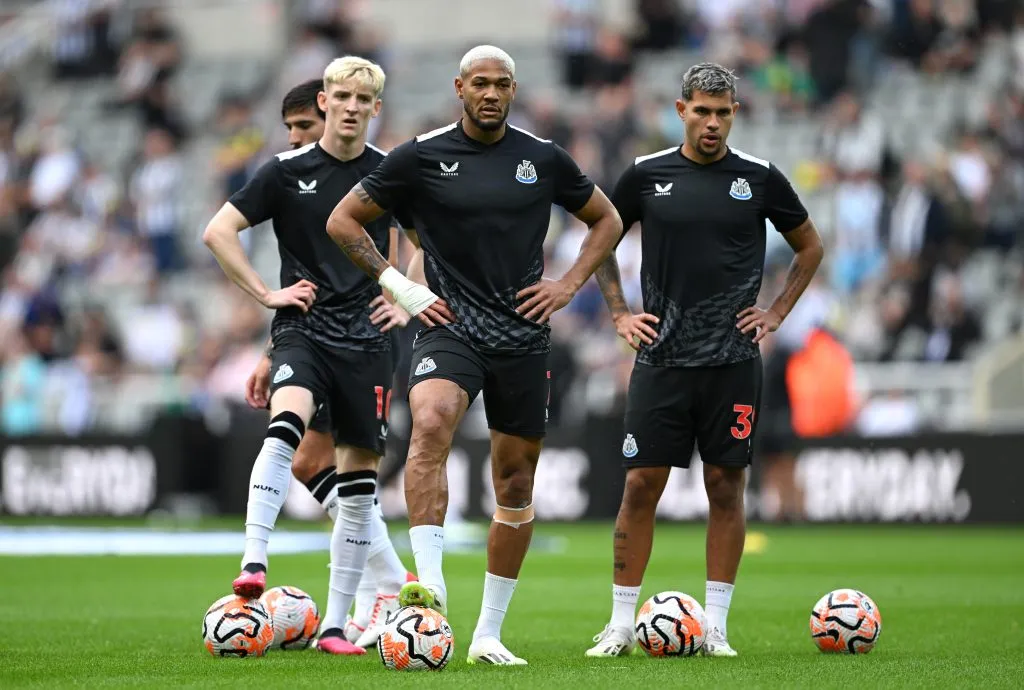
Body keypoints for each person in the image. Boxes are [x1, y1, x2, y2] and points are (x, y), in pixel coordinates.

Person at [324, 45, 623, 665]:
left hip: (522, 335)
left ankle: (487, 632)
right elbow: (344, 221)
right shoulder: (420, 156)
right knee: (429, 423)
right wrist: (401, 285)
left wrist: (567, 286)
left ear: (513, 90)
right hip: (448, 325)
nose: (491, 93)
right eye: (480, 84)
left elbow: (608, 220)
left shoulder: (541, 159)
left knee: (514, 482)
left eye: (502, 84)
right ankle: (428, 587)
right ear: (460, 88)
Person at [585, 62, 824, 658]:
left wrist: (775, 314)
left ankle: (715, 626)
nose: (712, 123)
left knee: (726, 484)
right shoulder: (645, 175)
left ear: (734, 113)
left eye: (722, 112)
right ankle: (618, 624)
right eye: (702, 111)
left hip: (732, 361)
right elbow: (600, 239)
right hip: (661, 359)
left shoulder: (760, 178)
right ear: (681, 110)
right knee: (641, 485)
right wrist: (618, 311)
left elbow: (810, 246)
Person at [202, 56, 415, 656]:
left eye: (362, 98)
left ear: (375, 107)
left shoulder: (389, 173)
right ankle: (254, 559)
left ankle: (338, 624)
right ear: (327, 100)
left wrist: (402, 296)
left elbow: (421, 239)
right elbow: (217, 231)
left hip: (369, 341)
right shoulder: (285, 171)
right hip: (303, 327)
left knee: (355, 484)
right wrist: (267, 295)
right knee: (286, 430)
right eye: (340, 96)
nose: (350, 106)